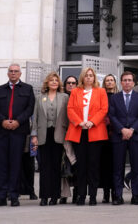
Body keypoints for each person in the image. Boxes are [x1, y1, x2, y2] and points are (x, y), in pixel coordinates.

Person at [0, 63, 35, 207]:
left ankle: (14, 195)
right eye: (11, 71)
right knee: (2, 164)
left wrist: (18, 121)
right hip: (1, 132)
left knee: (16, 164)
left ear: (20, 74)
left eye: (16, 71)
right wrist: (2, 121)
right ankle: (1, 196)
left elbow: (30, 108)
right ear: (8, 73)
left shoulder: (28, 89)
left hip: (19, 132)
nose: (13, 73)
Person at [66, 66, 109, 205]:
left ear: (94, 77)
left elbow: (104, 109)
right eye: (86, 75)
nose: (89, 77)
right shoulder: (75, 92)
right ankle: (81, 196)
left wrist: (92, 121)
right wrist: (79, 122)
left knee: (93, 166)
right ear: (82, 77)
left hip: (95, 132)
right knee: (81, 166)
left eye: (91, 75)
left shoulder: (101, 91)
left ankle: (92, 196)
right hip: (79, 132)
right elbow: (70, 109)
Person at [108, 70, 138, 205]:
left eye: (129, 80)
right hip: (119, 137)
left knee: (136, 168)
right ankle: (118, 196)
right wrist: (122, 129)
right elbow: (111, 116)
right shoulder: (114, 98)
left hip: (135, 136)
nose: (127, 82)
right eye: (124, 80)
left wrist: (131, 129)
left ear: (133, 82)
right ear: (121, 82)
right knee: (118, 168)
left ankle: (136, 196)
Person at [31, 72, 68, 206]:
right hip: (43, 134)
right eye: (51, 80)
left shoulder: (64, 97)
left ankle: (54, 196)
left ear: (59, 84)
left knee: (56, 167)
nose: (54, 82)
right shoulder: (39, 97)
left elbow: (68, 118)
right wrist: (34, 135)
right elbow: (34, 118)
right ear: (47, 83)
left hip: (59, 134)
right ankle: (44, 196)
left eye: (56, 80)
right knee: (44, 166)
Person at [100, 74, 118, 203]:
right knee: (104, 165)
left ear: (115, 83)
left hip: (116, 133)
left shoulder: (119, 97)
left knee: (115, 165)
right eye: (107, 81)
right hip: (102, 133)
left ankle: (115, 192)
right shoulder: (101, 96)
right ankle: (106, 193)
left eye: (112, 80)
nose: (109, 82)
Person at [61, 75, 78, 204]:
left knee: (76, 164)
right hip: (62, 135)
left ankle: (78, 193)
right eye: (68, 83)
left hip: (77, 134)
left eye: (73, 83)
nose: (71, 85)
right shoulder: (61, 97)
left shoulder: (79, 96)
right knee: (63, 166)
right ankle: (64, 194)